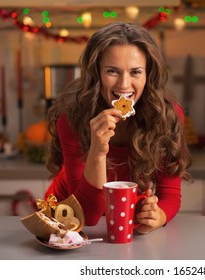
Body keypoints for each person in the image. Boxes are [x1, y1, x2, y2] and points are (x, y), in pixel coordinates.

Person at [45, 22, 192, 234]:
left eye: (135, 72)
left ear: (148, 75)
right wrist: (97, 151)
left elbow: (170, 194)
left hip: (123, 216)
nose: (124, 85)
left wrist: (157, 216)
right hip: (65, 215)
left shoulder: (166, 116)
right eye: (112, 71)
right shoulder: (72, 119)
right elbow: (88, 215)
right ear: (96, 73)